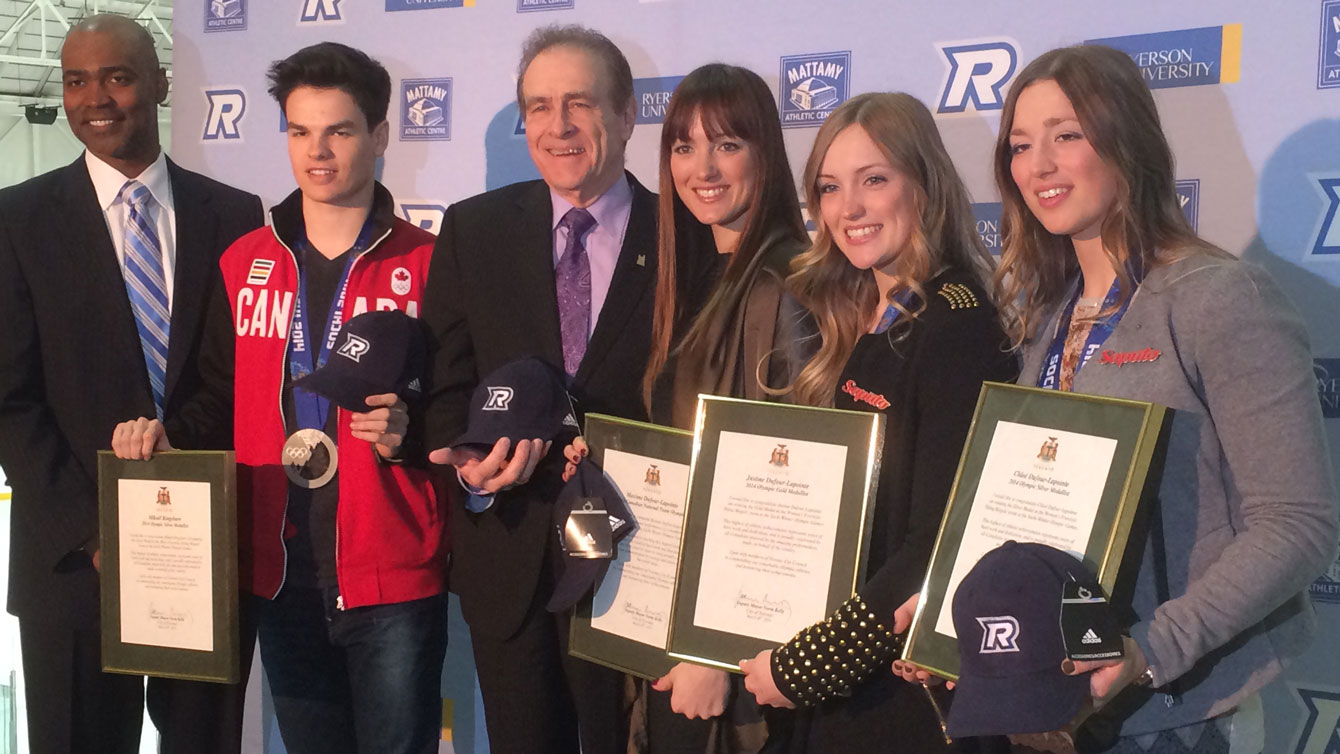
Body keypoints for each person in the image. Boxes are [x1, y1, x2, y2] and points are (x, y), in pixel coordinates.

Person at [977, 44, 1339, 753]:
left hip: (1181, 715)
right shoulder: (1049, 317)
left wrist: (1149, 649)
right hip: (1054, 700)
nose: (1039, 165)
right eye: (1021, 145)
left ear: (1127, 141)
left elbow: (1297, 524)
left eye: (1067, 135)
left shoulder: (1221, 296)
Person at [111, 42, 447, 754]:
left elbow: (455, 406)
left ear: (380, 135)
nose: (317, 152)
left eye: (339, 130)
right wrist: (168, 439)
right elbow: (215, 397)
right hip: (280, 576)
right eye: (299, 131)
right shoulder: (244, 262)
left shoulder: (429, 263)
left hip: (391, 577)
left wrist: (410, 428)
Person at [0, 13, 263, 754]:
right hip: (71, 562)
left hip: (201, 544)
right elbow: (11, 400)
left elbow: (235, 375)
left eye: (116, 76)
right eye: (76, 80)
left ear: (159, 84)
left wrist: (177, 447)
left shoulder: (235, 216)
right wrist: (94, 532)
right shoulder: (16, 220)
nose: (96, 98)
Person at [735, 92, 1017, 754]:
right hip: (846, 686)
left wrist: (810, 663)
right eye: (830, 188)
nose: (848, 209)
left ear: (925, 184)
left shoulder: (957, 325)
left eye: (875, 180)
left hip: (901, 696)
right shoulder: (869, 308)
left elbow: (939, 537)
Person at [423, 24, 678, 754]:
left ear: (627, 114)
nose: (557, 126)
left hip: (634, 557)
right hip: (506, 558)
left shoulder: (683, 237)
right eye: (537, 106)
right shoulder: (475, 230)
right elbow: (445, 384)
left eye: (579, 103)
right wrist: (468, 461)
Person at [563, 62, 816, 753]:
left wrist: (717, 653)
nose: (702, 167)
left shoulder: (783, 285)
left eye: (728, 144)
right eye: (684, 146)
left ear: (766, 151)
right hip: (670, 624)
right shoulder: (698, 275)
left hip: (729, 655)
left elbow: (783, 496)